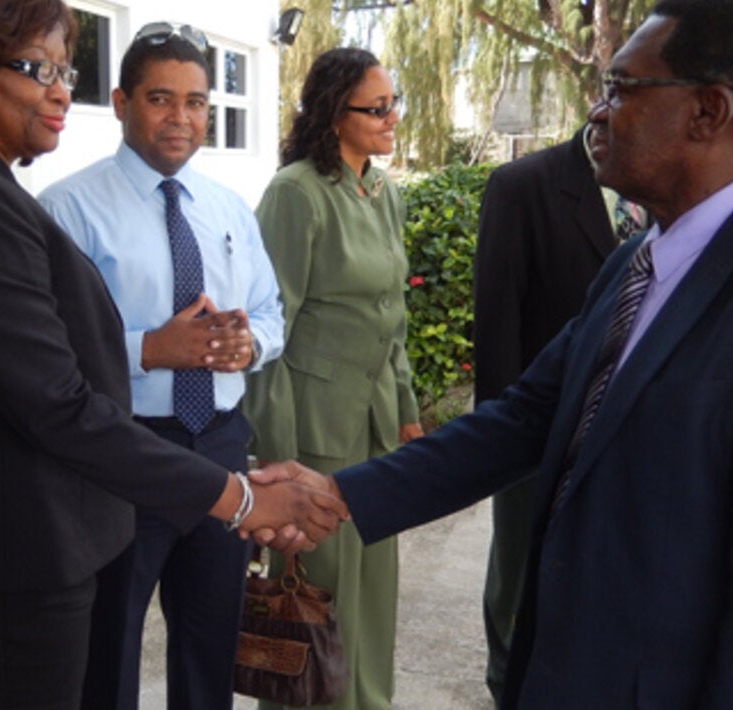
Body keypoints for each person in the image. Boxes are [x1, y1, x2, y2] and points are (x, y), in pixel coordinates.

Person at [258, 1, 733, 707]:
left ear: (707, 111)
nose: (598, 114)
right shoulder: (641, 257)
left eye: (621, 88)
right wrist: (340, 492)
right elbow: (527, 418)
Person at [0, 2, 343, 708]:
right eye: (37, 69)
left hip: (158, 465)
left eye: (64, 70)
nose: (61, 90)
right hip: (18, 556)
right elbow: (57, 401)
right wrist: (241, 496)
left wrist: (243, 382)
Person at [37, 24, 283, 710]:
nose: (182, 119)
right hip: (123, 455)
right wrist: (150, 348)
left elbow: (270, 312)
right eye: (160, 99)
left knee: (211, 648)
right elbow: (43, 353)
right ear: (119, 102)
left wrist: (249, 346)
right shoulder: (66, 211)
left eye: (198, 102)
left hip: (220, 445)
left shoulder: (229, 206)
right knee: (108, 648)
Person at [243, 47, 424, 710]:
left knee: (374, 584)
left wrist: (406, 407)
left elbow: (393, 313)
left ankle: (369, 702)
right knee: (316, 592)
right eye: (376, 108)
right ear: (332, 113)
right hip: (314, 423)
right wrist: (279, 449)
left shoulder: (384, 191)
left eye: (393, 103)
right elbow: (268, 329)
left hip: (375, 417)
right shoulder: (295, 193)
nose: (391, 117)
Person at [470, 124, 645, 701]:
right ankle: (508, 681)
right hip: (539, 427)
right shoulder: (523, 184)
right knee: (521, 571)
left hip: (631, 429)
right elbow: (497, 321)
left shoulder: (662, 183)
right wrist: (500, 449)